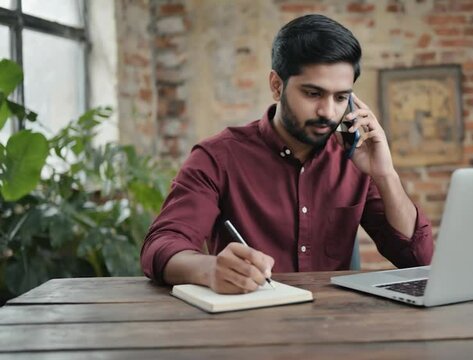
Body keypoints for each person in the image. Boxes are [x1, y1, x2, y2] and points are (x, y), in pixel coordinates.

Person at [141, 14, 433, 294]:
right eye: (313, 93)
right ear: (277, 86)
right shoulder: (218, 157)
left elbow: (419, 260)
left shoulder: (355, 161)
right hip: (248, 326)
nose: (328, 112)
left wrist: (385, 175)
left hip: (334, 328)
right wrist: (210, 269)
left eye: (341, 97)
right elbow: (162, 245)